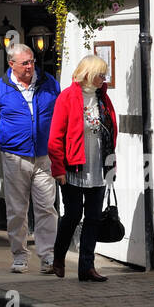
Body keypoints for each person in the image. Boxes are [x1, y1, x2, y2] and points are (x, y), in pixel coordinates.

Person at [0, 43, 61, 274]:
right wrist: (12, 138)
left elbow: (58, 114)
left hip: (44, 156)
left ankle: (47, 257)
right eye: (25, 63)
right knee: (17, 209)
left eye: (32, 62)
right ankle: (19, 255)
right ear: (11, 64)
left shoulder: (49, 84)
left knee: (47, 207)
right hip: (14, 156)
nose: (30, 67)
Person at [48, 54, 118, 282]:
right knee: (73, 214)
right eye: (100, 74)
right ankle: (58, 256)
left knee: (94, 217)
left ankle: (86, 267)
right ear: (88, 74)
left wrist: (111, 165)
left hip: (98, 166)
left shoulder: (103, 99)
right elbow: (55, 137)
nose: (103, 78)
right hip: (73, 167)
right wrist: (58, 169)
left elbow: (111, 133)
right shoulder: (67, 97)